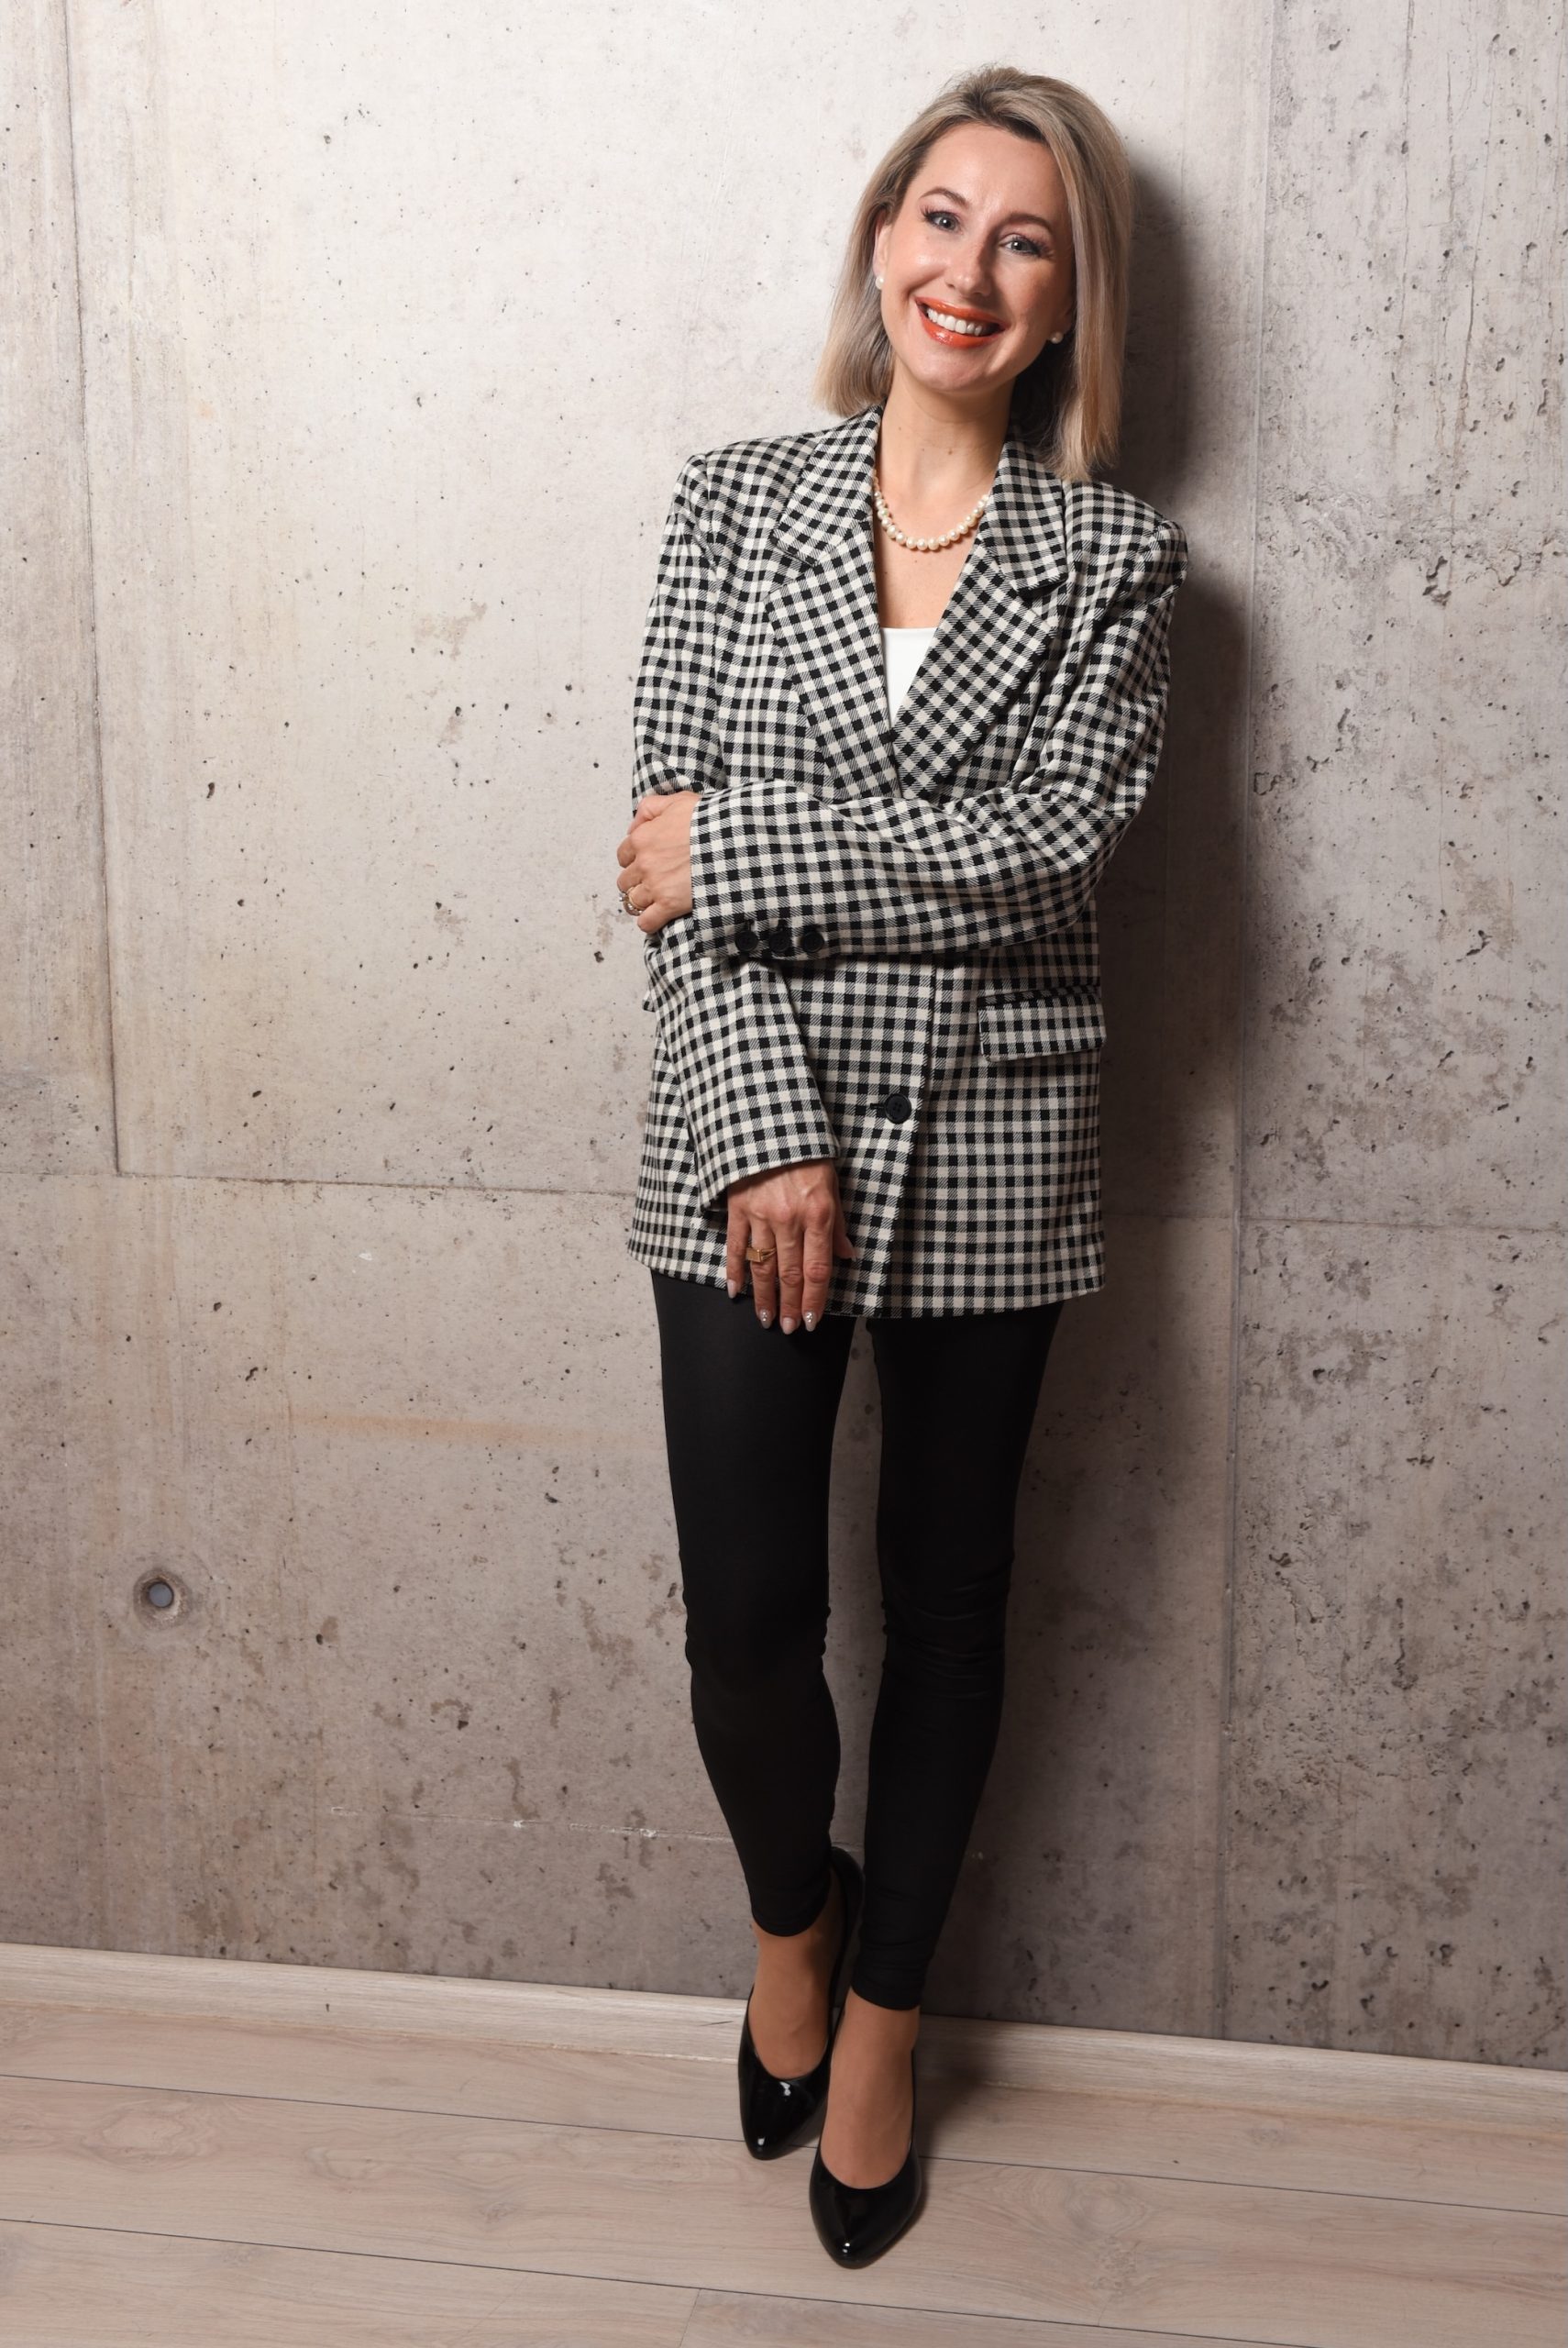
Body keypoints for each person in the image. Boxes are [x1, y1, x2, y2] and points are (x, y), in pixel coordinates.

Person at [613, 62, 1189, 2268]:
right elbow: (662, 864)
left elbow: (1045, 852)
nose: (971, 269)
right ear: (882, 241)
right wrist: (764, 1129)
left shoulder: (1117, 560)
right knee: (750, 1624)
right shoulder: (732, 500)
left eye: (1025, 240)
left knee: (947, 1610)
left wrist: (742, 843)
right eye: (943, 218)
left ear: (1068, 301)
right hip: (740, 1119)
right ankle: (799, 1913)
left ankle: (884, 2019)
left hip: (998, 1132)